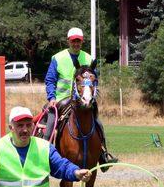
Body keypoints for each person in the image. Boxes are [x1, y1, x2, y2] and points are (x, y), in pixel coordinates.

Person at [44, 27, 118, 169]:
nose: (76, 44)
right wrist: (51, 97)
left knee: (98, 123)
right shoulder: (58, 58)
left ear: (82, 42)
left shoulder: (89, 58)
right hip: (62, 99)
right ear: (68, 41)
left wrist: (92, 93)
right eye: (73, 41)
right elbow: (50, 80)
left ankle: (103, 154)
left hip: (85, 98)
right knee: (50, 122)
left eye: (78, 41)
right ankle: (43, 151)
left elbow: (94, 79)